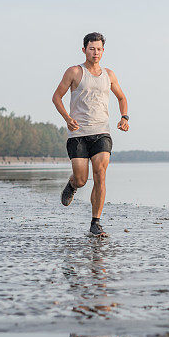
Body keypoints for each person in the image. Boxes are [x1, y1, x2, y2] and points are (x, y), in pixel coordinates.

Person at [52, 32, 129, 237]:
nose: (96, 52)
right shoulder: (74, 72)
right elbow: (56, 97)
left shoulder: (109, 75)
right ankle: (72, 185)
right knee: (81, 180)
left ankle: (95, 222)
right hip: (78, 134)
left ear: (103, 51)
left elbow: (122, 98)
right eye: (92, 48)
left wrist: (124, 117)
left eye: (99, 49)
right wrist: (68, 119)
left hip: (101, 132)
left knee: (100, 175)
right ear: (84, 49)